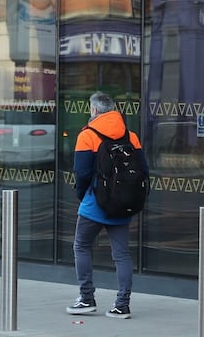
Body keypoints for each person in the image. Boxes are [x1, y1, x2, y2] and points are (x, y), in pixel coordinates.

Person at [66, 91, 148, 320]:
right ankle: (122, 305)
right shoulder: (131, 136)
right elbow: (144, 170)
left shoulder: (87, 135)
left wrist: (83, 197)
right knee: (121, 254)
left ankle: (86, 298)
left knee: (81, 246)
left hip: (95, 202)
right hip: (122, 202)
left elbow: (81, 173)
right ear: (113, 110)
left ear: (93, 110)